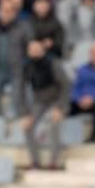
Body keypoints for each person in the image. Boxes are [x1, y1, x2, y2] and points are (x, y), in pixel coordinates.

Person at [20, 38, 69, 171]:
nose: (34, 52)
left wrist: (60, 107)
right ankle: (35, 161)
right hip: (39, 101)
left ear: (42, 50)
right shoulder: (27, 66)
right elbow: (22, 90)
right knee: (27, 126)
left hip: (56, 99)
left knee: (54, 124)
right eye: (31, 50)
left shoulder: (53, 63)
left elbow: (65, 85)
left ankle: (54, 161)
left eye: (37, 49)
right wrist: (25, 113)